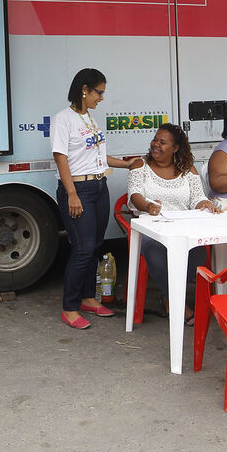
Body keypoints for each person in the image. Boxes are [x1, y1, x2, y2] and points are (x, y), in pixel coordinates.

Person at [52, 68, 139, 330]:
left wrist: (128, 164)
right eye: (98, 92)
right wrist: (72, 194)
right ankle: (70, 308)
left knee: (96, 244)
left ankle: (89, 298)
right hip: (79, 191)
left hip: (99, 187)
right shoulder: (63, 119)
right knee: (82, 248)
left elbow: (100, 158)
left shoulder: (90, 119)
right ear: (84, 89)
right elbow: (61, 157)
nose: (101, 98)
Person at [127, 123, 216, 325]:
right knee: (154, 248)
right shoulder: (140, 166)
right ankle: (174, 300)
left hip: (181, 227)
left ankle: (169, 295)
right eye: (155, 140)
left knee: (199, 252)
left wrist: (204, 203)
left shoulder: (187, 170)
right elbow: (134, 196)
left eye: (162, 142)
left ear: (175, 148)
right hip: (152, 227)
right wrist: (148, 206)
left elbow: (197, 198)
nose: (155, 145)